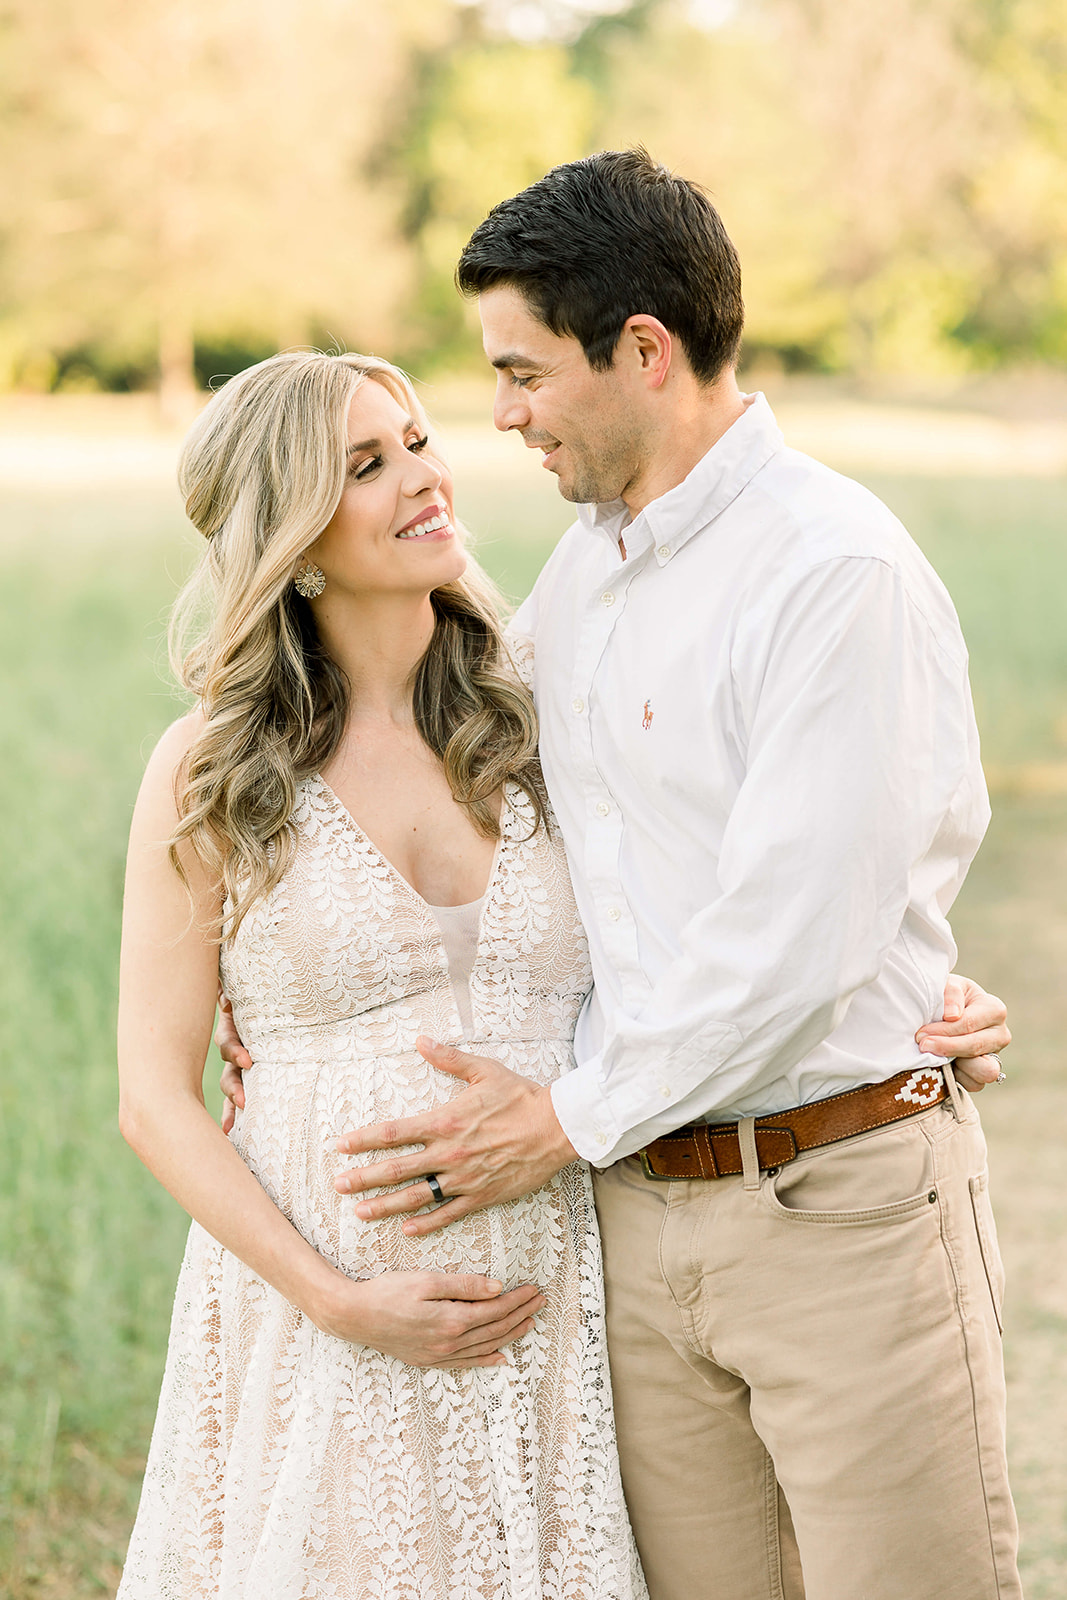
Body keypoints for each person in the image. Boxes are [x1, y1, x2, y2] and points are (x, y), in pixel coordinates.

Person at [234, 150, 1019, 1600]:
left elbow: (796, 945)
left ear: (640, 352)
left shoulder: (829, 571)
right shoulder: (580, 586)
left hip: (834, 1204)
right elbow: (469, 804)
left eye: (522, 372)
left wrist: (557, 1120)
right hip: (633, 1236)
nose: (500, 417)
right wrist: (261, 982)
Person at [115, 350, 647, 1599]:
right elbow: (153, 1096)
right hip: (326, 1304)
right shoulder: (210, 768)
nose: (423, 476)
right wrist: (336, 1299)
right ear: (290, 533)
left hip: (558, 1284)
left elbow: (727, 917)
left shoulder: (537, 719)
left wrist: (906, 1000)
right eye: (365, 465)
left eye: (414, 439)